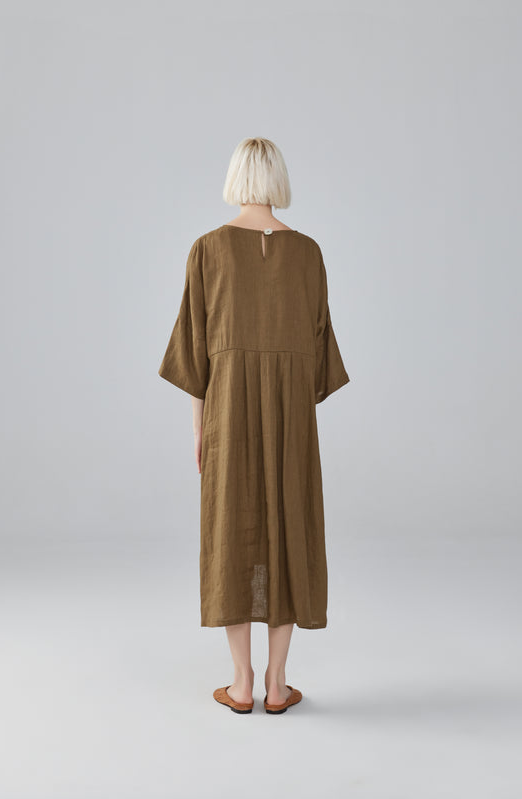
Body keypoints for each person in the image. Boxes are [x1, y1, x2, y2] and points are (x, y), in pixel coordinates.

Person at [158, 137, 350, 714]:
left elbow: (195, 354)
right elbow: (318, 351)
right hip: (292, 418)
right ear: (279, 179)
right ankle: (277, 682)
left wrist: (200, 431)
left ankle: (240, 683)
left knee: (231, 533)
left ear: (236, 178)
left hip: (228, 412)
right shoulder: (309, 253)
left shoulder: (207, 249)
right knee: (289, 528)